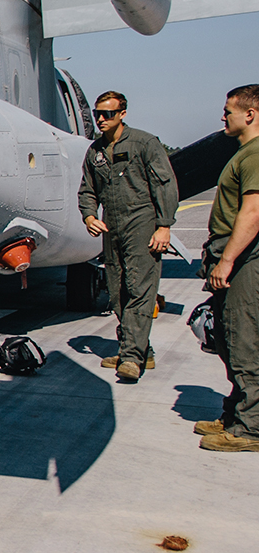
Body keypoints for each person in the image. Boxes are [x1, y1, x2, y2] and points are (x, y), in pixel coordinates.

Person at [77, 91, 178, 383]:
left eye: (107, 114)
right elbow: (87, 189)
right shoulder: (95, 151)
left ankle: (132, 357)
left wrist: (164, 225)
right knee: (117, 288)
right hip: (112, 225)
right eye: (97, 114)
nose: (100, 119)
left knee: (139, 289)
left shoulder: (144, 143)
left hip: (142, 222)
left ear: (122, 114)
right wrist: (89, 215)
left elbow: (165, 185)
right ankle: (137, 349)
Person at [199, 84, 259, 451]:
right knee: (227, 339)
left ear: (249, 115)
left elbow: (252, 214)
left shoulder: (254, 155)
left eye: (229, 111)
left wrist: (227, 260)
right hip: (234, 256)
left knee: (244, 341)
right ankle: (236, 414)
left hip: (244, 259)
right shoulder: (244, 153)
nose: (223, 117)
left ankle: (250, 429)